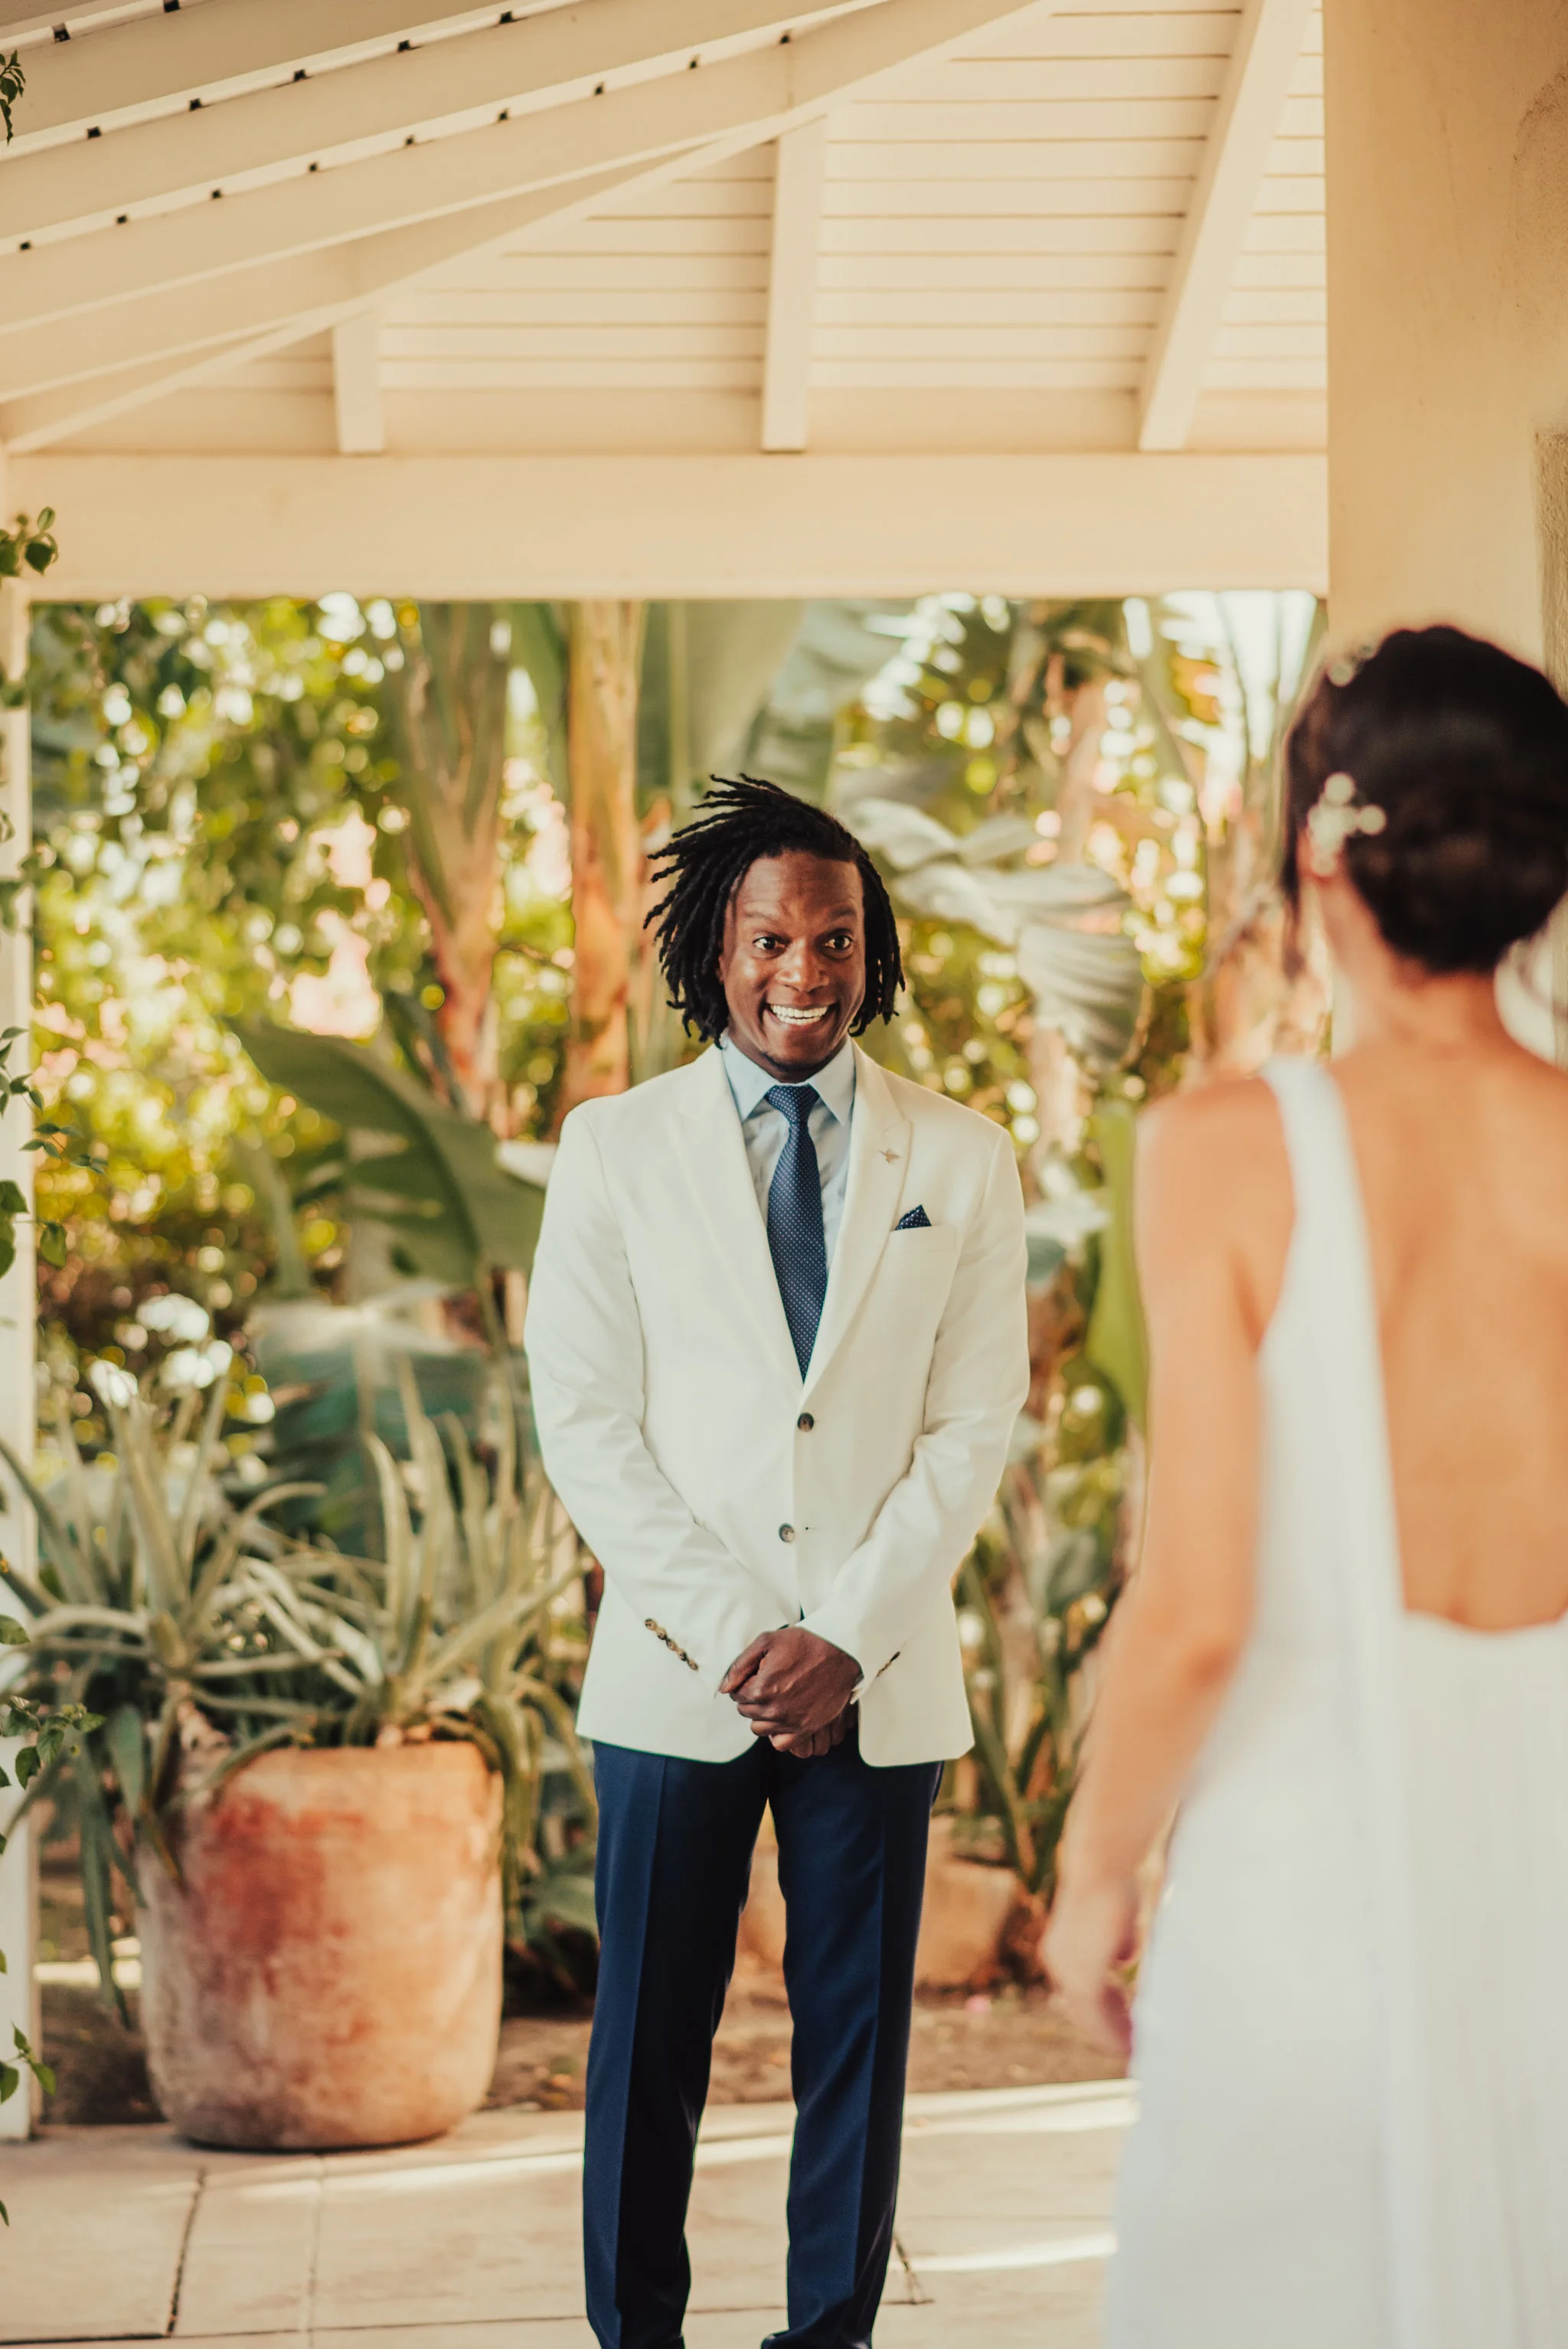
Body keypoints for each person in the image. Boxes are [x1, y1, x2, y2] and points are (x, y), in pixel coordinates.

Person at [1045, 624, 1568, 2348]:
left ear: (1321, 853)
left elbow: (1196, 1609)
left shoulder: (1224, 1149)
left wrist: (1093, 1884)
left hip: (1309, 1915)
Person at [525, 776, 1027, 2349]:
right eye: (767, 938)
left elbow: (973, 1422)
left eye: (833, 937)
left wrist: (846, 1635)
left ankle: (828, 2339)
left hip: (870, 1689)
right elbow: (589, 1423)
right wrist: (752, 1635)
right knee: (648, 2050)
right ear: (712, 949)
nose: (802, 971)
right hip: (682, 1679)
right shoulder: (614, 1151)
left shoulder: (963, 1153)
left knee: (856, 2054)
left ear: (869, 951)